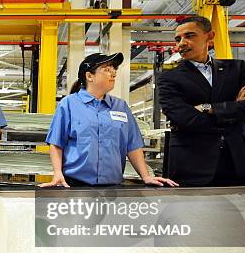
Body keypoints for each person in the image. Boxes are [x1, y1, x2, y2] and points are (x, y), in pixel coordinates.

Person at [157, 15, 245, 186]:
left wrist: (209, 108)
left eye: (189, 36)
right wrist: (237, 108)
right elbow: (185, 118)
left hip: (239, 164)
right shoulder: (168, 78)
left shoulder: (236, 69)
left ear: (209, 36)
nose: (181, 43)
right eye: (178, 39)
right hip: (192, 166)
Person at [41, 52, 177, 188]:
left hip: (112, 188)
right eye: (107, 69)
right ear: (89, 76)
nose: (113, 73)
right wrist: (57, 173)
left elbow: (132, 145)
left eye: (114, 69)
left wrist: (146, 176)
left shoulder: (121, 106)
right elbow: (57, 143)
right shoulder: (69, 104)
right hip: (75, 185)